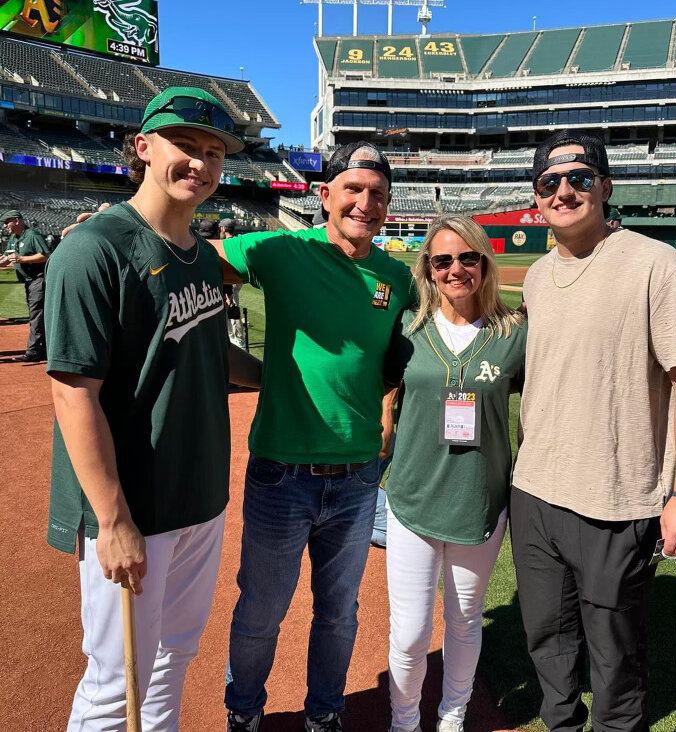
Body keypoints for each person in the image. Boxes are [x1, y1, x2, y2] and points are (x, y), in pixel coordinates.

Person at [44, 86, 262, 731]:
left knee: (173, 660)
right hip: (133, 506)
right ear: (142, 147)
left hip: (198, 498)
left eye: (214, 152)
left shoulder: (198, 257)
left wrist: (283, 377)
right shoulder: (95, 249)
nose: (201, 162)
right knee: (117, 683)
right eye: (186, 146)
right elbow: (71, 390)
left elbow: (209, 354)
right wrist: (111, 521)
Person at [511, 129, 676, 732]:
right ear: (536, 198)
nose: (564, 190)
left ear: (604, 185)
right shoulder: (539, 276)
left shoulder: (656, 264)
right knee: (548, 640)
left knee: (615, 655)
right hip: (535, 490)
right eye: (551, 182)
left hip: (615, 498)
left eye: (579, 177)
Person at [219, 141, 415, 732]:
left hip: (358, 475)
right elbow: (190, 266)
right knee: (262, 610)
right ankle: (244, 712)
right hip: (282, 470)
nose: (366, 203)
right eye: (353, 190)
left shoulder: (395, 277)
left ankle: (325, 712)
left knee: (339, 614)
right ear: (324, 195)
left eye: (378, 194)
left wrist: (385, 408)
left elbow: (391, 358)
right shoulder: (279, 249)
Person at [383, 215, 526, 732]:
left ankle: (452, 714)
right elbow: (377, 387)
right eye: (443, 260)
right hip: (412, 501)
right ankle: (403, 720)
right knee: (410, 632)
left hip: (480, 503)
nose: (456, 269)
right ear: (428, 268)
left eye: (469, 257)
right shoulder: (405, 328)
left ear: (486, 263)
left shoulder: (515, 332)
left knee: (465, 621)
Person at [2, 209, 51, 362]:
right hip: (28, 281)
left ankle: (33, 351)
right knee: (36, 314)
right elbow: (7, 257)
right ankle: (42, 349)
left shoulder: (33, 235)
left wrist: (21, 259)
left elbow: (45, 255)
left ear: (17, 220)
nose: (5, 226)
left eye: (6, 222)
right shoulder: (13, 238)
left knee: (36, 314)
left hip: (38, 280)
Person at [220, 217, 246, 348]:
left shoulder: (227, 243)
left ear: (224, 229)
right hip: (235, 278)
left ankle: (239, 339)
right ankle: (232, 337)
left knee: (233, 308)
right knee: (229, 308)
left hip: (232, 279)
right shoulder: (237, 241)